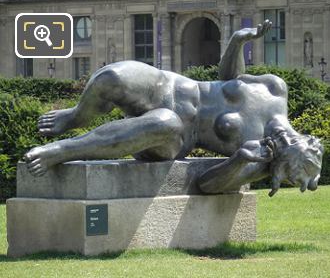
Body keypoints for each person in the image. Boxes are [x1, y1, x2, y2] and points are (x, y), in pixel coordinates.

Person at [24, 20, 323, 197]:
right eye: (298, 148)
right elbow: (230, 79)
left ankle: (62, 151)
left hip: (177, 136)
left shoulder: (259, 158)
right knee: (111, 77)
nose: (286, 145)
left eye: (288, 163)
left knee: (165, 122)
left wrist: (238, 161)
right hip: (172, 85)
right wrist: (237, 41)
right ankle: (76, 116)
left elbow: (207, 186)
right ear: (308, 140)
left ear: (282, 167)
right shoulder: (275, 89)